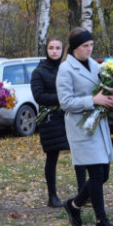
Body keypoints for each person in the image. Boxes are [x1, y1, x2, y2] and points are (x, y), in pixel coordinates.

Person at [56, 27, 113, 226]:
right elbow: (65, 102)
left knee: (103, 175)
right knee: (95, 175)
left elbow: (105, 88)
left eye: (91, 45)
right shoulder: (65, 69)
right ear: (75, 48)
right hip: (80, 127)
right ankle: (101, 221)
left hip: (98, 124)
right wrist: (92, 100)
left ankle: (74, 205)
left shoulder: (95, 65)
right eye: (85, 46)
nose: (89, 49)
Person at [31, 37, 86, 207]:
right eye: (51, 48)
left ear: (63, 50)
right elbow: (39, 96)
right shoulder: (39, 71)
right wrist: (63, 99)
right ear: (46, 50)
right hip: (50, 120)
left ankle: (84, 193)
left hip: (69, 116)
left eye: (57, 48)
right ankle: (52, 196)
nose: (54, 51)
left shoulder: (68, 68)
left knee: (79, 155)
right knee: (52, 157)